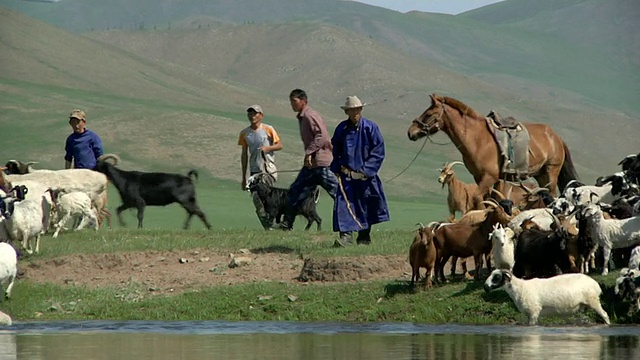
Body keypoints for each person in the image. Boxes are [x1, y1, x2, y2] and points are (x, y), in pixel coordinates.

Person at [330, 96, 390, 246]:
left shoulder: (371, 128)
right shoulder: (341, 129)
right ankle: (346, 237)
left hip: (365, 177)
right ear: (347, 112)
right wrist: (336, 167)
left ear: (360, 110)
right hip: (346, 176)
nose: (354, 112)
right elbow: (336, 149)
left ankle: (364, 236)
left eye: (357, 109)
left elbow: (378, 151)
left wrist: (365, 171)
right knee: (344, 205)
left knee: (366, 206)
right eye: (351, 110)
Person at [276, 89, 339, 231]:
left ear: (303, 101)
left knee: (339, 194)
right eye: (291, 101)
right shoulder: (303, 117)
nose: (292, 104)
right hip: (312, 166)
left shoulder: (310, 115)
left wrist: (309, 152)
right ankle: (287, 223)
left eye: (295, 101)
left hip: (322, 164)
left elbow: (322, 136)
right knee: (295, 191)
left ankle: (354, 223)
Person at [238, 104, 283, 229]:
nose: (252, 116)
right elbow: (244, 155)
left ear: (261, 116)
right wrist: (243, 177)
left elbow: (279, 145)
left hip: (267, 170)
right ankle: (269, 226)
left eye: (255, 113)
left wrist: (268, 148)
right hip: (254, 172)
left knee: (268, 200)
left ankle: (276, 224)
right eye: (250, 113)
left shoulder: (268, 129)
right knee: (257, 201)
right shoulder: (245, 133)